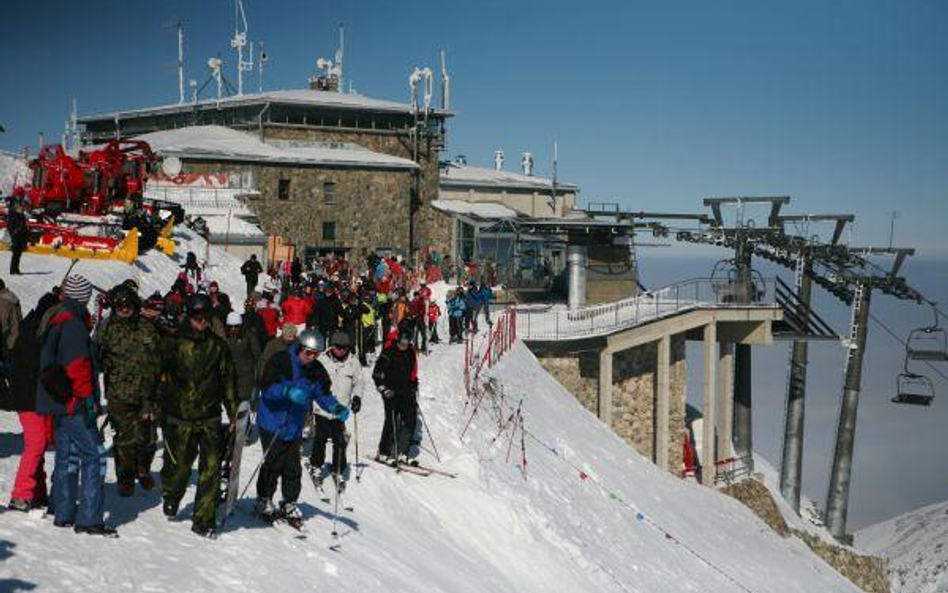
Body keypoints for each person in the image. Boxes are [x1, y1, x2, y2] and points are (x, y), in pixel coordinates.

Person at [35, 275, 116, 536]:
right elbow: (77, 367)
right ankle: (90, 518)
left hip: (58, 402)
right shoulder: (73, 324)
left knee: (67, 456)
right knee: (95, 456)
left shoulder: (57, 316)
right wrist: (87, 400)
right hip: (73, 403)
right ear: (82, 297)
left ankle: (63, 510)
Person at [160, 293, 238, 538]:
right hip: (179, 416)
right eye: (197, 317)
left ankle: (203, 519)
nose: (201, 322)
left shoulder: (218, 346)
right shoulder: (173, 342)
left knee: (211, 469)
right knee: (180, 467)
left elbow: (227, 381)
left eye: (206, 317)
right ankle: (172, 495)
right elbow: (156, 374)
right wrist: (153, 405)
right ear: (189, 316)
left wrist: (234, 412)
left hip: (209, 417)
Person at [255, 329, 348, 525]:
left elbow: (322, 394)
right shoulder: (281, 361)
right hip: (273, 422)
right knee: (273, 463)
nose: (312, 358)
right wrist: (286, 390)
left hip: (294, 425)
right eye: (309, 353)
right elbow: (267, 388)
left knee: (292, 468)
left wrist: (334, 407)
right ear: (300, 348)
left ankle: (289, 502)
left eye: (316, 354)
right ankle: (264, 499)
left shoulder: (316, 370)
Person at [95, 284, 162, 496]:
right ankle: (125, 477)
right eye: (120, 305)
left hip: (146, 392)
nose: (124, 309)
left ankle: (142, 470)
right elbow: (95, 356)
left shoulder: (147, 328)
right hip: (119, 392)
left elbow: (158, 359)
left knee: (147, 436)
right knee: (124, 437)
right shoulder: (106, 328)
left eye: (128, 304)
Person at [3, 291, 56, 512]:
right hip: (28, 399)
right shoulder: (35, 334)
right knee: (35, 444)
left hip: (31, 397)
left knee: (40, 442)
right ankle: (20, 494)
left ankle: (37, 491)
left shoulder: (33, 327)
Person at [310, 332, 363, 490]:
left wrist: (357, 397)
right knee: (320, 437)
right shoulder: (322, 360)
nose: (341, 351)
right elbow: (312, 381)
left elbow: (359, 382)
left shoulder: (353, 362)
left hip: (341, 408)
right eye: (338, 347)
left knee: (339, 440)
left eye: (344, 348)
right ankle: (316, 466)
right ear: (331, 346)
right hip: (322, 408)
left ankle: (338, 468)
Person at [373, 325, 419, 464]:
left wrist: (413, 383)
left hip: (406, 392)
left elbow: (412, 372)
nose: (404, 344)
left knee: (410, 420)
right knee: (391, 421)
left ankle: (402, 451)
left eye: (407, 341)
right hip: (390, 392)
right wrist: (383, 389)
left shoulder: (411, 352)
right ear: (398, 339)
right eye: (402, 341)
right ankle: (383, 451)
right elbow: (376, 374)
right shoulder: (388, 352)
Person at [224, 312, 260, 404]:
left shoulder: (248, 336)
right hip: (230, 374)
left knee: (243, 401)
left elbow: (257, 354)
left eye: (236, 327)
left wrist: (258, 370)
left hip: (245, 374)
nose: (233, 329)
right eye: (231, 327)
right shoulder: (225, 338)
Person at [6, 197, 29, 275]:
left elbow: (23, 224)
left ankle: (16, 269)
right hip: (16, 236)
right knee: (15, 253)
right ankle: (13, 270)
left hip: (21, 235)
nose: (19, 206)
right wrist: (14, 232)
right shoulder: (12, 213)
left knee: (18, 254)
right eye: (17, 204)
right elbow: (10, 226)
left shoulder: (20, 214)